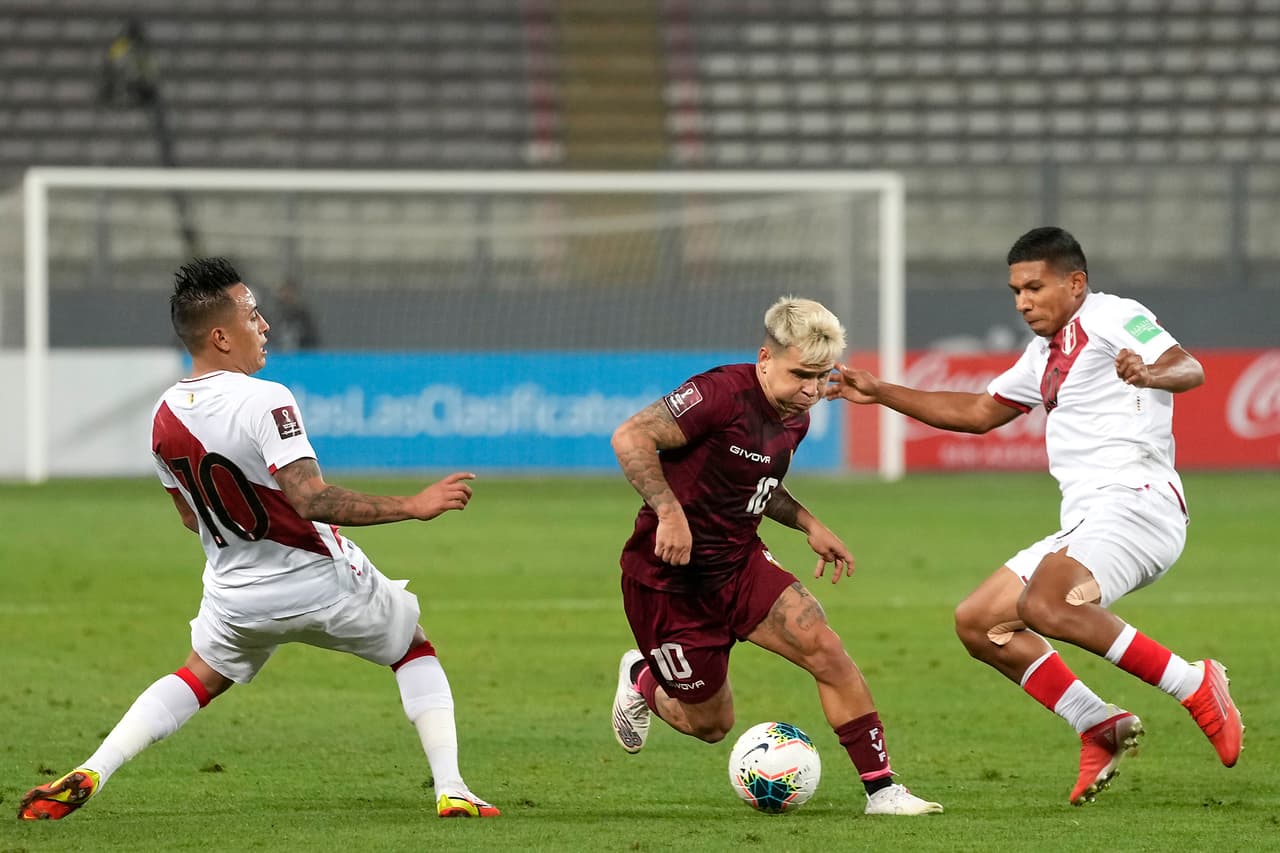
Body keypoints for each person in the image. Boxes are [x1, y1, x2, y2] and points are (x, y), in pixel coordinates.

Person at [19, 258, 497, 821]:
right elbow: (311, 499)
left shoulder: (162, 416)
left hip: (236, 596)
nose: (265, 325)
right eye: (252, 315)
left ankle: (95, 768)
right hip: (318, 581)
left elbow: (191, 518)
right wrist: (412, 506)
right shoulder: (265, 398)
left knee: (198, 675)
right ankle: (452, 788)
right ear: (221, 337)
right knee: (413, 648)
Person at [825, 227, 1243, 805]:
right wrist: (880, 391)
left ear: (1075, 283)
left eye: (1034, 287)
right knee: (980, 622)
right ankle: (1098, 723)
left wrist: (1150, 374)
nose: (1023, 302)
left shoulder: (1114, 316)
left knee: (1046, 605)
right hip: (1090, 516)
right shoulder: (1044, 353)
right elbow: (979, 412)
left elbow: (1187, 367)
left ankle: (1194, 684)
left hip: (1138, 501)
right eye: (1015, 291)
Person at [609, 296, 943, 817]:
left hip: (739, 563)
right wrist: (669, 512)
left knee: (826, 649)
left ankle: (883, 792)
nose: (811, 390)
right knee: (710, 726)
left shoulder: (795, 418)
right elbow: (631, 435)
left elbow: (758, 486)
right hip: (669, 581)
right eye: (801, 375)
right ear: (765, 358)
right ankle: (642, 677)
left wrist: (810, 524)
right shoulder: (719, 394)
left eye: (821, 377)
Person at [270, 277, 320, 351]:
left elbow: (311, 338)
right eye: (284, 292)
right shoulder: (275, 313)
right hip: (277, 353)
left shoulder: (303, 315)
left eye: (289, 292)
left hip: (301, 353)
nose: (286, 295)